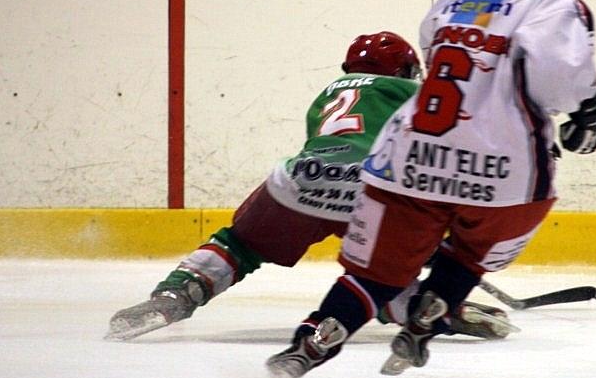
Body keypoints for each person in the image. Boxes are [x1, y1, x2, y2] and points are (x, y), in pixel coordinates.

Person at [267, 0, 596, 378]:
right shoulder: (552, 2)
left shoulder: (449, 2)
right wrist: (588, 110)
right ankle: (430, 312)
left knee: (376, 274)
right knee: (470, 252)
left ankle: (314, 339)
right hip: (502, 173)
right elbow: (557, 80)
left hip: (411, 160)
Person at [106, 31, 517, 342]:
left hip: (301, 179)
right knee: (380, 272)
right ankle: (431, 307)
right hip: (371, 187)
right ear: (405, 71)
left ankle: (177, 294)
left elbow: (335, 156)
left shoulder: (325, 96)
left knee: (240, 244)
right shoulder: (415, 92)